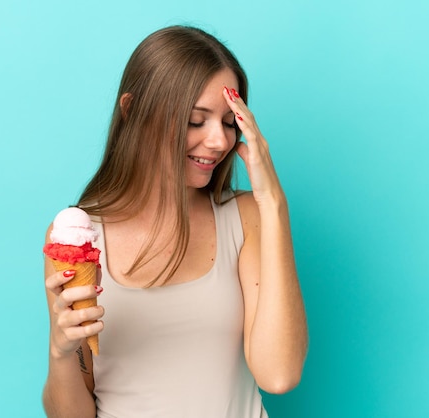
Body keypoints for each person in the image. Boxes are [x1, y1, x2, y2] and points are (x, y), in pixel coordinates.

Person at [42, 25, 308, 418]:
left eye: (229, 122)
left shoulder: (246, 217)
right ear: (133, 111)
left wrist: (273, 203)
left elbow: (279, 375)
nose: (219, 141)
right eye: (195, 120)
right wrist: (61, 351)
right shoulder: (78, 238)